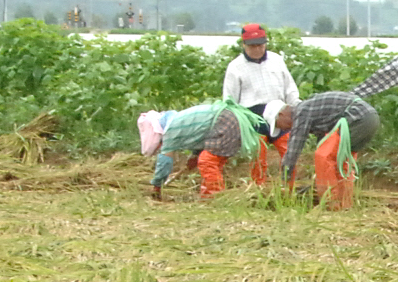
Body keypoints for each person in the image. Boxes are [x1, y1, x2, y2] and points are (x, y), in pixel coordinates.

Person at [221, 23, 300, 186]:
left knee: (289, 152)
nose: (257, 49)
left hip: (280, 113)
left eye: (260, 45)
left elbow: (290, 88)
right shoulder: (235, 67)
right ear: (244, 45)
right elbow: (229, 100)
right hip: (253, 116)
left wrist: (297, 108)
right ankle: (258, 189)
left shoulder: (276, 60)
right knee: (258, 157)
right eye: (253, 46)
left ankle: (289, 188)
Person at [275, 92, 381, 209]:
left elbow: (294, 148)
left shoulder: (302, 112)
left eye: (277, 125)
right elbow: (323, 141)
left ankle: (331, 204)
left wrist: (285, 178)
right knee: (341, 161)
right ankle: (344, 205)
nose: (283, 129)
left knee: (323, 157)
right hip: (370, 118)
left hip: (357, 118)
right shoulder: (313, 109)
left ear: (281, 114)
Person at [139, 100, 263, 199]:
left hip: (224, 121)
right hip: (229, 120)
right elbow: (201, 133)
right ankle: (207, 195)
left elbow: (165, 162)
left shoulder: (170, 130)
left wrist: (157, 185)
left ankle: (216, 196)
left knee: (207, 161)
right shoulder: (179, 121)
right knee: (213, 163)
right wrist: (194, 156)